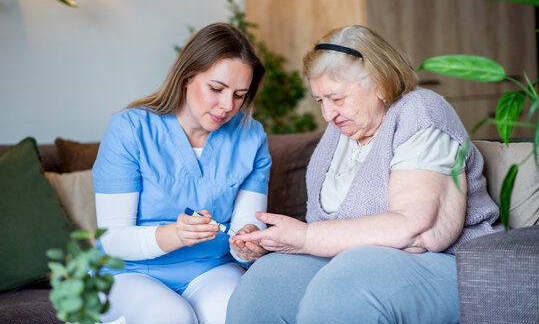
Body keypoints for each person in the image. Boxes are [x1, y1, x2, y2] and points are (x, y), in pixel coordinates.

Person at [225, 25, 499, 324]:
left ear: (380, 84)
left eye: (337, 98)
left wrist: (307, 237)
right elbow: (330, 229)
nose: (328, 114)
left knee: (347, 284)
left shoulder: (421, 112)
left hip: (449, 265)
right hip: (351, 263)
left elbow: (419, 230)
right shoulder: (337, 133)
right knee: (266, 281)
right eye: (320, 101)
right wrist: (274, 241)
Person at [92, 22, 271, 324]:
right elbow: (112, 239)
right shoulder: (130, 129)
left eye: (240, 95)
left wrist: (249, 243)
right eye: (217, 88)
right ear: (187, 77)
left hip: (211, 270)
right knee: (171, 316)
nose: (227, 106)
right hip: (129, 272)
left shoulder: (251, 137)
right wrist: (176, 235)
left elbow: (246, 228)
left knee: (238, 313)